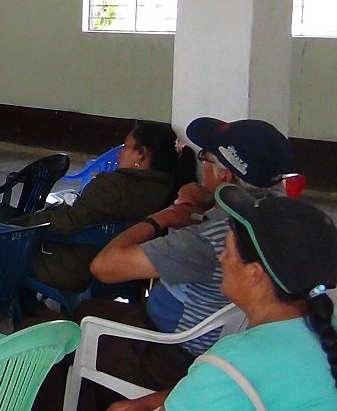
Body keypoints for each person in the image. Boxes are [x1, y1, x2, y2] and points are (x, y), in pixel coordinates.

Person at [92, 185, 337, 411]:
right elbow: (242, 394)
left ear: (255, 274)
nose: (221, 258)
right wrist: (146, 403)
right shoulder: (322, 332)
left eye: (228, 251)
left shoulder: (237, 360)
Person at [86, 117, 293, 387]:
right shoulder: (284, 217)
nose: (201, 165)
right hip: (231, 342)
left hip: (175, 351)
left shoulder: (208, 239)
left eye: (204, 157)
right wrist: (211, 205)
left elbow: (104, 267)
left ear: (224, 176)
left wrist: (166, 216)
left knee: (81, 320)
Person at [16, 121, 195, 293]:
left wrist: (20, 223)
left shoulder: (112, 187)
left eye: (126, 147)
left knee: (6, 249)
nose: (119, 153)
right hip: (122, 272)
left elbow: (69, 221)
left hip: (75, 267)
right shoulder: (165, 188)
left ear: (141, 154)